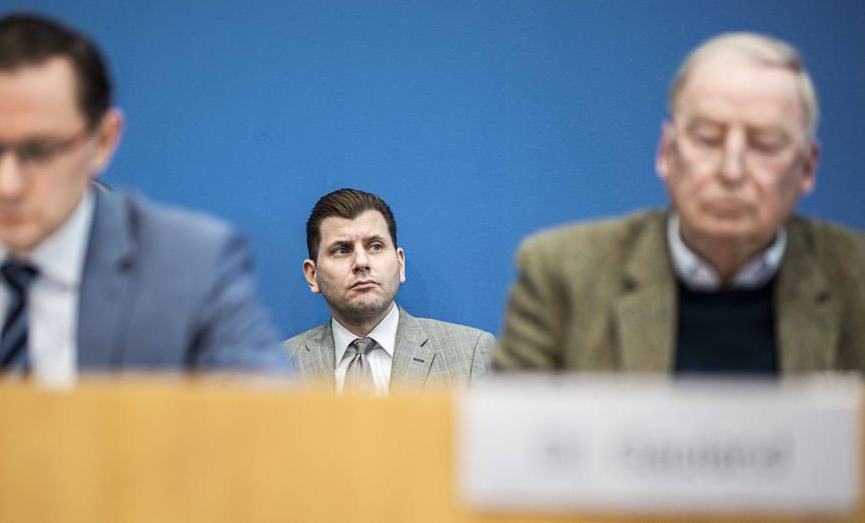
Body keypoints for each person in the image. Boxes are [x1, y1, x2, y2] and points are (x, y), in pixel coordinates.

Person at [0, 13, 288, 383]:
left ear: (103, 141)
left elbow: (268, 436)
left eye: (41, 150)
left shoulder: (192, 267)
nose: (6, 184)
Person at [494, 32, 865, 375]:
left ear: (807, 167)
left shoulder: (855, 278)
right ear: (666, 153)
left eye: (764, 144)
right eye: (707, 139)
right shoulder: (564, 275)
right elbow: (506, 439)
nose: (731, 170)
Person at [286, 188, 492, 393]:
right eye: (341, 250)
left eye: (375, 246)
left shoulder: (471, 354)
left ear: (400, 264)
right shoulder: (276, 368)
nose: (361, 262)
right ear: (312, 276)